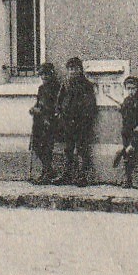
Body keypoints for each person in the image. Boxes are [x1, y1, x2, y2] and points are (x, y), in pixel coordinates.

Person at [54, 57, 97, 186]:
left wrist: (85, 119)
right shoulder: (65, 84)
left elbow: (90, 105)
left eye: (75, 69)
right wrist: (59, 113)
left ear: (80, 70)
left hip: (81, 123)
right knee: (68, 149)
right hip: (67, 122)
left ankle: (82, 176)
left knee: (82, 149)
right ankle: (67, 174)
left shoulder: (86, 85)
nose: (72, 72)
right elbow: (59, 101)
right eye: (70, 69)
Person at [113, 75, 138, 189]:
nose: (131, 91)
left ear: (137, 89)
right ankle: (128, 179)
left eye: (133, 88)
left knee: (131, 150)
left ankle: (122, 152)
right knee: (129, 156)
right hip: (126, 130)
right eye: (128, 88)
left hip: (137, 132)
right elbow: (125, 115)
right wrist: (121, 109)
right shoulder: (126, 100)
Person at [28, 62, 61, 184]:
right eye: (42, 75)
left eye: (47, 74)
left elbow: (55, 106)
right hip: (39, 122)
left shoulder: (57, 88)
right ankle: (48, 170)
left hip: (50, 122)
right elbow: (38, 103)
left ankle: (47, 172)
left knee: (47, 147)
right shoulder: (41, 88)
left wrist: (42, 111)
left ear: (52, 74)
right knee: (37, 146)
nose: (44, 77)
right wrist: (33, 109)